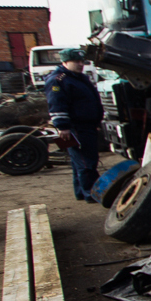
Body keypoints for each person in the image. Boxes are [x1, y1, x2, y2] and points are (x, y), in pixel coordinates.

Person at [45, 48, 103, 202]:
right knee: (86, 162)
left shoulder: (78, 78)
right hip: (76, 127)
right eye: (76, 61)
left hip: (86, 125)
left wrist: (95, 121)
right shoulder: (59, 80)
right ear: (64, 62)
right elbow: (57, 104)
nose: (80, 64)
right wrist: (62, 126)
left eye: (81, 61)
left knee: (80, 162)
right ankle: (92, 194)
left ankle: (81, 192)